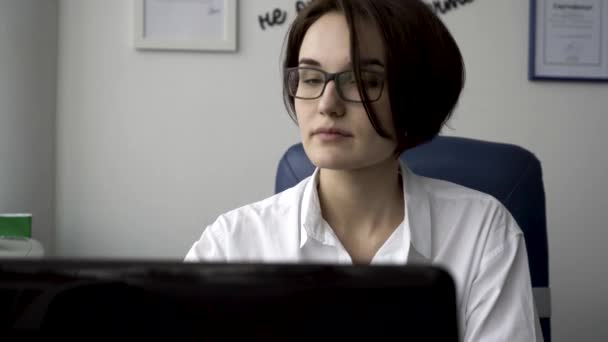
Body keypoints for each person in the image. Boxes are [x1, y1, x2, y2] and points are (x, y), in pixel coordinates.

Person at [185, 0, 543, 340]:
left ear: (415, 95)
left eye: (364, 80)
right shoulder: (232, 243)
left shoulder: (482, 233)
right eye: (311, 78)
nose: (328, 104)